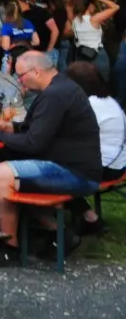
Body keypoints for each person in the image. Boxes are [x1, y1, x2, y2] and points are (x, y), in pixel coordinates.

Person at [0, 51, 101, 260]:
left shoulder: (54, 94)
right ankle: (58, 232)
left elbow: (34, 142)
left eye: (21, 76)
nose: (19, 81)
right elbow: (41, 130)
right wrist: (12, 128)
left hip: (74, 173)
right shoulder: (61, 88)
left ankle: (8, 247)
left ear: (36, 71)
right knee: (6, 166)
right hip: (74, 167)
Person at [66, 61, 125, 232]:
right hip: (118, 163)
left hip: (103, 167)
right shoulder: (107, 101)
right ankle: (87, 217)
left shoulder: (87, 105)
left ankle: (86, 217)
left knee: (49, 169)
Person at [68, 0, 116, 82]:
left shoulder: (74, 20)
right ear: (89, 6)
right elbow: (115, 7)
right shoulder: (94, 19)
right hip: (97, 55)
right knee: (101, 84)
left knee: (85, 85)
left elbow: (69, 6)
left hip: (81, 55)